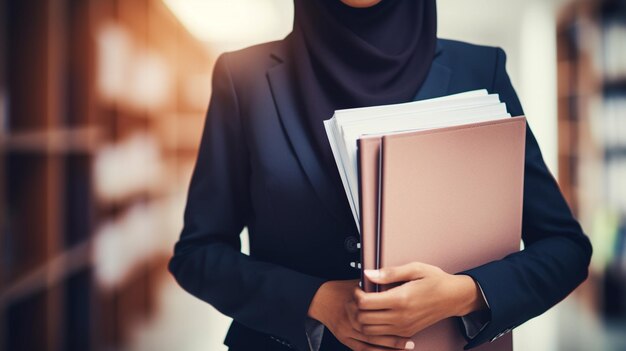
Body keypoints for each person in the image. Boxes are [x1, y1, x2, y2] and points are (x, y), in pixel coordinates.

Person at [168, 0, 592, 350]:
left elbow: (565, 248)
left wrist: (465, 294)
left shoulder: (480, 71)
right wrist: (315, 302)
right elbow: (198, 254)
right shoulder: (244, 78)